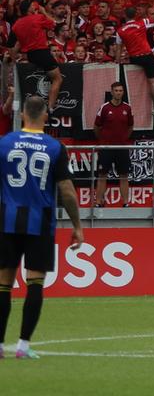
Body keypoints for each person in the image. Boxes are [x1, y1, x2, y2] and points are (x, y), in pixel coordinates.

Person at [0, 96, 84, 360]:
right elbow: (67, 191)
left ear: (23, 114)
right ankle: (23, 346)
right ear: (46, 116)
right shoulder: (55, 147)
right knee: (35, 283)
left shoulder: (4, 143)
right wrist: (77, 225)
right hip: (40, 222)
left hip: (7, 221)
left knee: (3, 285)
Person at [93, 81, 135, 212]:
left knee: (124, 175)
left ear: (123, 92)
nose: (118, 93)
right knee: (102, 174)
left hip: (122, 147)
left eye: (120, 91)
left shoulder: (127, 108)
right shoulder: (104, 108)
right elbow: (96, 127)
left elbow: (130, 126)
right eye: (116, 91)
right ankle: (99, 202)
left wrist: (123, 139)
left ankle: (126, 203)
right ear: (111, 92)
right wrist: (103, 140)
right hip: (106, 147)